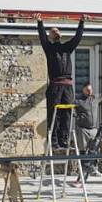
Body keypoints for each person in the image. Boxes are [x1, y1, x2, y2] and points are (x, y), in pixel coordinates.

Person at [35, 13, 85, 150]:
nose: (55, 31)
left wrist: (81, 23)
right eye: (53, 31)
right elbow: (42, 37)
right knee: (54, 114)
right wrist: (40, 22)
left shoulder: (67, 48)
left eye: (57, 30)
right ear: (50, 36)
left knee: (67, 114)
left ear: (61, 35)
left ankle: (64, 140)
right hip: (55, 86)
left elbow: (77, 38)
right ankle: (54, 141)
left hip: (67, 86)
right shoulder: (49, 48)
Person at [75, 82, 99, 181]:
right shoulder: (79, 100)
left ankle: (93, 169)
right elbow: (70, 105)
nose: (89, 92)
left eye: (91, 90)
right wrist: (78, 117)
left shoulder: (94, 98)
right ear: (83, 90)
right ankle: (82, 173)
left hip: (93, 129)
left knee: (94, 150)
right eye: (87, 90)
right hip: (83, 130)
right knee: (83, 151)